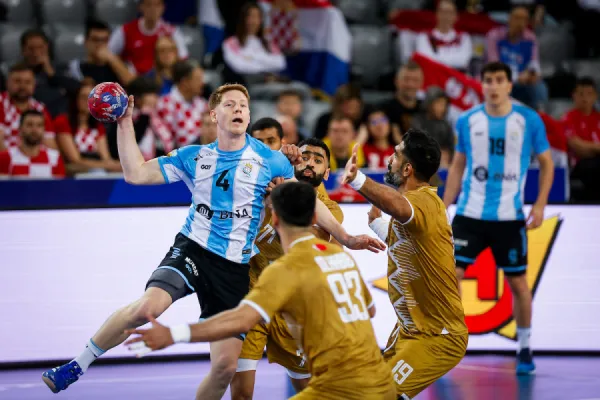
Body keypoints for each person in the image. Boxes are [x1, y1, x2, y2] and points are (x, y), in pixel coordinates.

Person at [42, 83, 384, 398]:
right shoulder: (194, 156)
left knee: (224, 368)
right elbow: (135, 174)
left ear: (248, 116)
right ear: (214, 115)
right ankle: (78, 364)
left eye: (243, 105)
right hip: (193, 248)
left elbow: (302, 199)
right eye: (230, 104)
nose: (238, 109)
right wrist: (125, 123)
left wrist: (346, 237)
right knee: (148, 308)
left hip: (234, 268)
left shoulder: (270, 159)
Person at [124, 181, 396, 400]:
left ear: (274, 218)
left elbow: (240, 320)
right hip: (382, 383)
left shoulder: (285, 268)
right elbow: (369, 309)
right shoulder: (341, 257)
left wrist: (174, 334)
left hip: (341, 389)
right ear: (314, 217)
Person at [442, 61, 555, 375]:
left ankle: (525, 347)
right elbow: (457, 167)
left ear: (509, 84)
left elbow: (547, 164)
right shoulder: (467, 120)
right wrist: (444, 206)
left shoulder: (528, 120)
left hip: (509, 216)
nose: (492, 86)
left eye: (498, 80)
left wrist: (540, 204)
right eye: (487, 80)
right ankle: (446, 342)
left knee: (519, 283)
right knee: (451, 276)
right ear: (482, 85)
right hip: (469, 213)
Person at [341, 129, 468, 399]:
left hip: (438, 336)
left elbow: (399, 207)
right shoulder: (418, 209)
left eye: (396, 154)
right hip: (410, 331)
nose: (390, 158)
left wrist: (358, 180)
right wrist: (377, 225)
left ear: (408, 168)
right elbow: (409, 238)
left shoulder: (424, 202)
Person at [232, 135, 348, 399]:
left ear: (326, 173)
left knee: (308, 390)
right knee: (240, 393)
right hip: (251, 298)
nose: (310, 163)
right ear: (293, 161)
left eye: (318, 161)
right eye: (305, 156)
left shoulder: (330, 210)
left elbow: (323, 248)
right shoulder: (260, 188)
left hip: (292, 310)